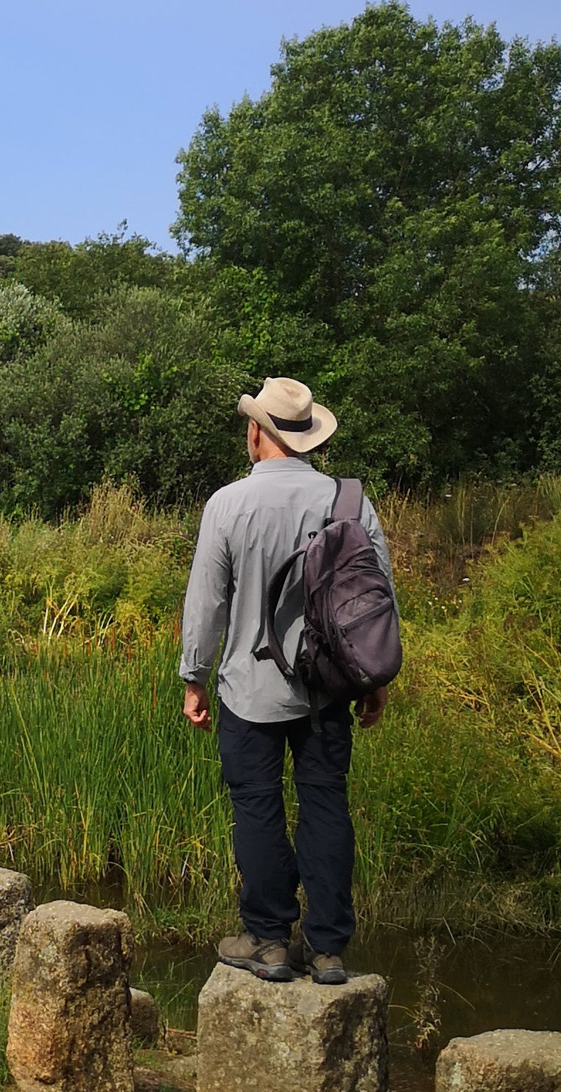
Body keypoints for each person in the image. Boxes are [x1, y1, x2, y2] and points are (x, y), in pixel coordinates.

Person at [178, 377, 394, 986]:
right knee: (325, 804)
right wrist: (375, 680)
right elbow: (379, 601)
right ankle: (327, 951)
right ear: (303, 437)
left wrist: (194, 677)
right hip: (329, 690)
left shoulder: (227, 504)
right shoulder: (349, 502)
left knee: (257, 806)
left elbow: (206, 605)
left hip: (249, 690)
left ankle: (269, 940)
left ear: (257, 431)